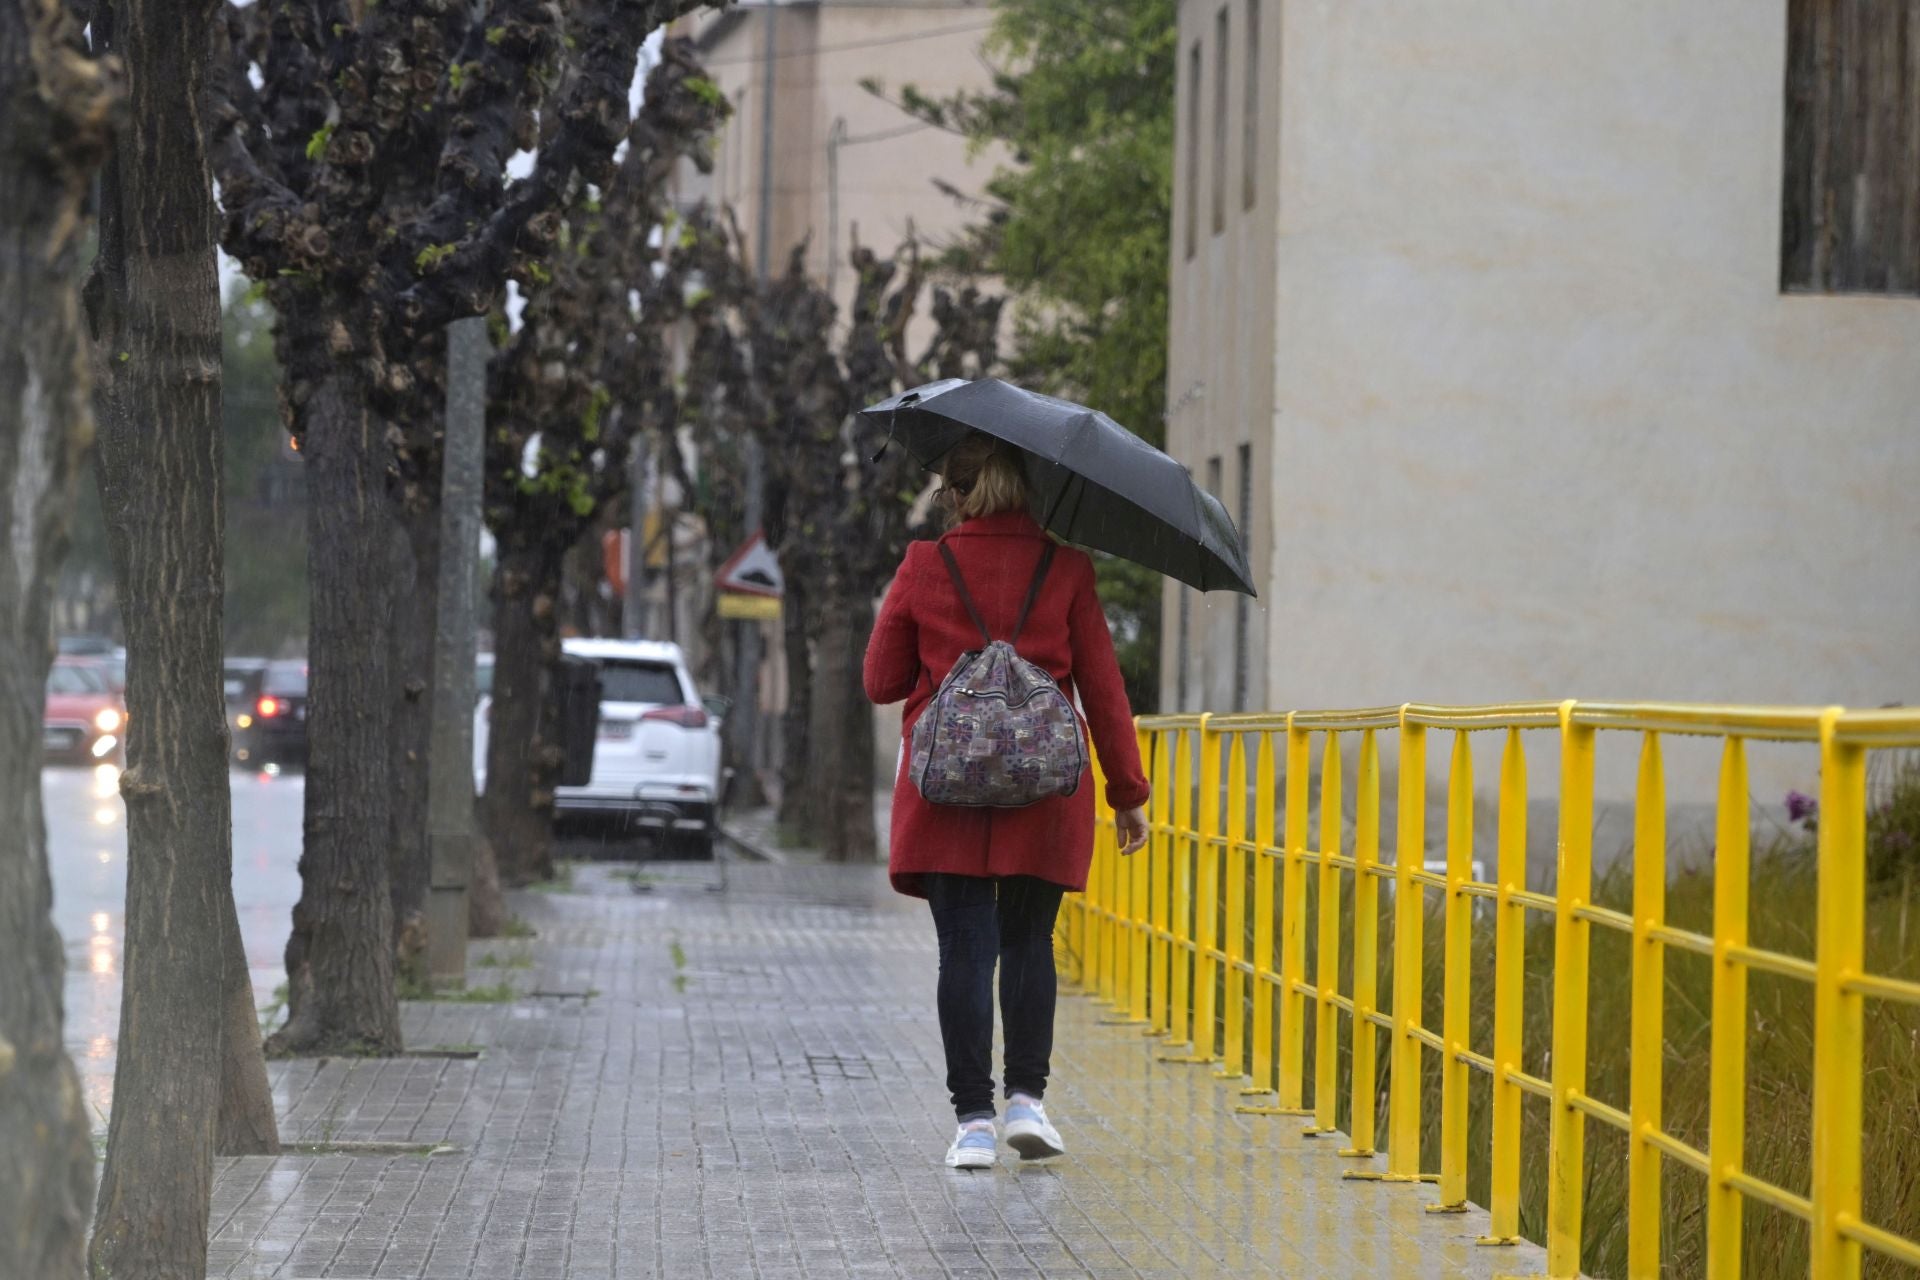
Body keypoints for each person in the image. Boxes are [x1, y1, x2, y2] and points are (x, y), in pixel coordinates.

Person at [863, 431, 1151, 1170]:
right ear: (1027, 488)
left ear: (959, 494)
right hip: (1045, 791)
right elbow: (1104, 691)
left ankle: (973, 1125)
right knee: (1028, 940)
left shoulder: (926, 565)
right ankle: (1028, 1102)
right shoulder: (1068, 568)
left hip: (947, 791)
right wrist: (1127, 792)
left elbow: (880, 680)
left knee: (964, 945)